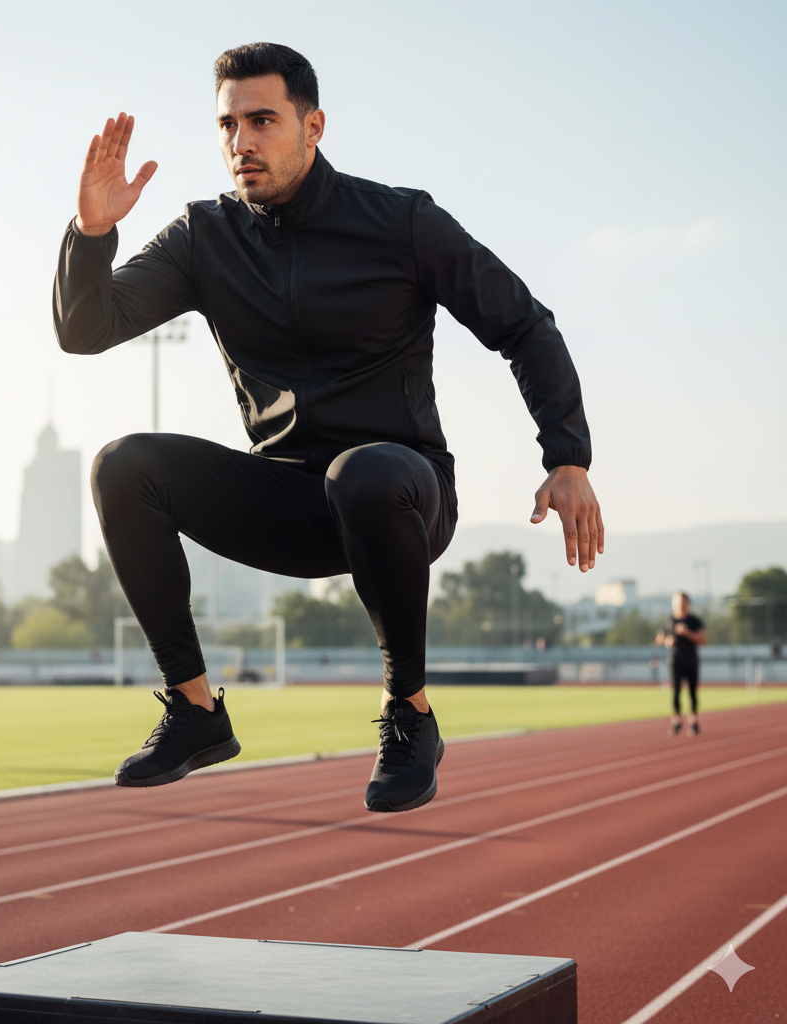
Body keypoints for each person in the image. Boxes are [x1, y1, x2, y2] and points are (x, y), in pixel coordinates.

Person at [53, 43, 604, 812]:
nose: (242, 141)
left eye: (263, 120)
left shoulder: (403, 222)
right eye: (228, 124)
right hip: (286, 499)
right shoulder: (202, 236)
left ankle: (408, 713)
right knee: (123, 465)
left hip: (400, 492)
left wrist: (567, 457)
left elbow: (525, 325)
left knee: (365, 472)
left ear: (313, 126)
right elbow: (86, 328)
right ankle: (195, 710)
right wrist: (91, 232)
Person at [656, 591, 707, 735]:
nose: (680, 605)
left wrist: (687, 633)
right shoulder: (669, 621)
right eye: (677, 602)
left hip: (691, 660)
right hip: (675, 661)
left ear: (688, 604)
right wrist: (667, 641)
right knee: (676, 692)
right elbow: (659, 639)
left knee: (692, 693)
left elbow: (704, 640)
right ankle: (677, 721)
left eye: (683, 602)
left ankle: (693, 721)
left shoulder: (694, 621)